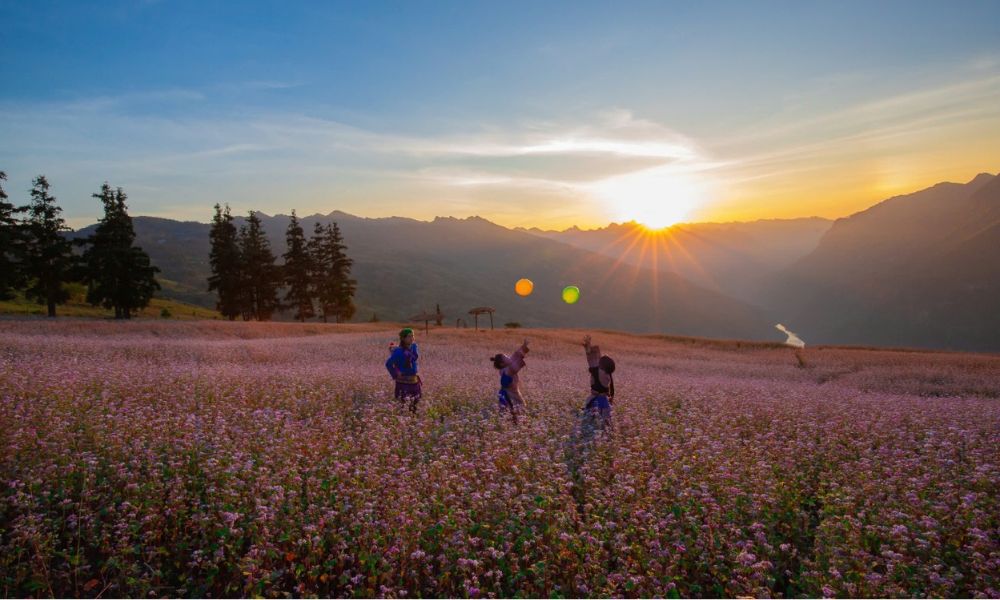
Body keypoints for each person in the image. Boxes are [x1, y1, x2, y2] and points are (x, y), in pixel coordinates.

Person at [491, 339, 530, 422]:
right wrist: (522, 355)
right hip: (512, 395)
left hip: (506, 394)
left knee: (509, 413)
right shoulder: (509, 370)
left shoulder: (503, 369)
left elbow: (515, 355)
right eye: (506, 358)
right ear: (502, 363)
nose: (509, 357)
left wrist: (524, 346)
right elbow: (517, 363)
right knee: (519, 410)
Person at [582, 334, 615, 428]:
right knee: (606, 424)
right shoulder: (608, 376)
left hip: (594, 401)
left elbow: (592, 360)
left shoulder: (599, 373)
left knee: (590, 423)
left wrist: (588, 347)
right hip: (603, 401)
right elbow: (595, 360)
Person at [386, 328, 421, 412]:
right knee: (403, 406)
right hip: (403, 383)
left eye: (412, 336)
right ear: (403, 338)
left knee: (414, 406)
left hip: (414, 382)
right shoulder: (398, 352)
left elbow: (414, 358)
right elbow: (388, 364)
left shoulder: (413, 349)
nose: (412, 338)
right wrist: (396, 373)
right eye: (409, 336)